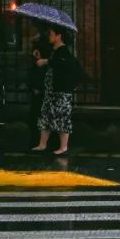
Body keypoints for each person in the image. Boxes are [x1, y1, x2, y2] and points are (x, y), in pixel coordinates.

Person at [31, 26, 81, 155]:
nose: (50, 36)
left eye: (52, 34)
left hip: (61, 92)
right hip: (51, 91)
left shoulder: (63, 51)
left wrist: (46, 61)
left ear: (59, 36)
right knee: (45, 117)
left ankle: (64, 147)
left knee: (62, 117)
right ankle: (42, 144)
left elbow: (62, 64)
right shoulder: (54, 50)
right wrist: (41, 57)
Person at [26, 30, 52, 149]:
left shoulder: (46, 45)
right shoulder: (41, 43)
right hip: (40, 84)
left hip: (42, 86)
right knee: (38, 115)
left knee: (40, 115)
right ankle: (39, 142)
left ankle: (39, 142)